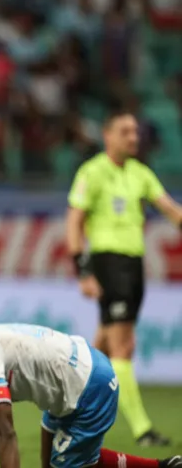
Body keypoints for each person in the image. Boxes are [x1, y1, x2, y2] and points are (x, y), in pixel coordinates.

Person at [0, 323, 182, 468]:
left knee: (71, 463)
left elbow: (5, 433)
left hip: (89, 385)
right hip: (64, 390)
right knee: (58, 462)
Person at [66, 110, 182, 446]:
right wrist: (83, 270)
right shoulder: (93, 172)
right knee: (123, 345)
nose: (134, 137)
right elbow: (74, 220)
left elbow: (171, 210)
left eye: (135, 132)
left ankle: (63, 412)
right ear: (108, 136)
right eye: (125, 131)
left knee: (99, 348)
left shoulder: (140, 173)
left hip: (134, 266)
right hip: (108, 263)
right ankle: (143, 430)